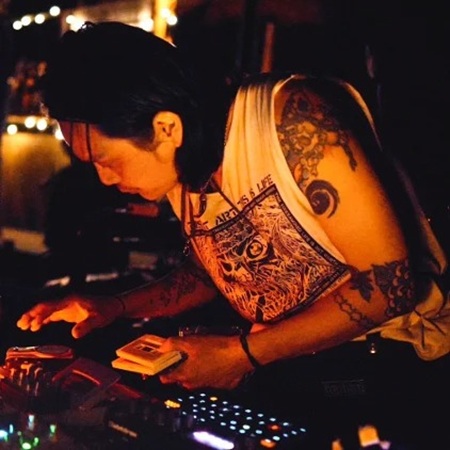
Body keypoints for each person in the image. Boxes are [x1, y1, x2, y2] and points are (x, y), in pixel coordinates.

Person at [15, 21, 449, 447]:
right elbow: (210, 272)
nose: (105, 179)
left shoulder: (293, 117)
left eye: (107, 160)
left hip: (391, 369)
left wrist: (239, 355)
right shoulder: (181, 164)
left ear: (166, 128)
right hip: (297, 368)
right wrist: (114, 306)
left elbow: (389, 284)